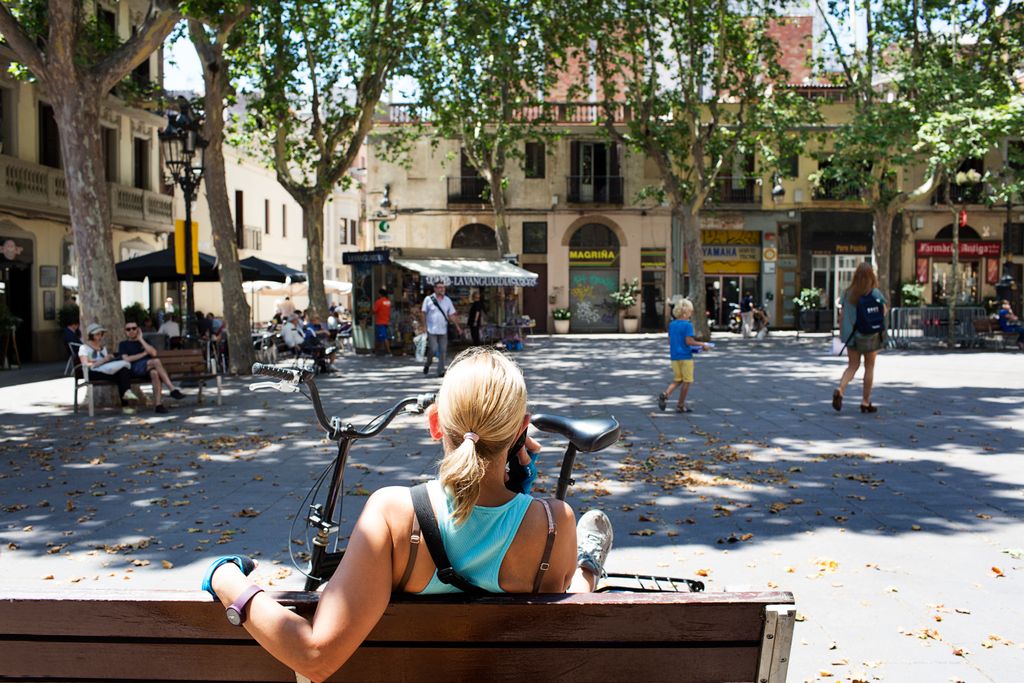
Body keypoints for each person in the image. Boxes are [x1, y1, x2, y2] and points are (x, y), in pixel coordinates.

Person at [201, 347, 614, 681]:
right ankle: (590, 566)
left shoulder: (393, 512)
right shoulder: (555, 522)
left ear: (435, 424)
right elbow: (554, 618)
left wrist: (225, 577)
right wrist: (520, 496)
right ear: (522, 428)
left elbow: (315, 656)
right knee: (578, 583)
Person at [833, 262, 887, 414]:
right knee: (869, 367)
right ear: (871, 276)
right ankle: (865, 401)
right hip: (870, 335)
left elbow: (842, 316)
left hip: (852, 336)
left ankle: (840, 389)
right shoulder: (874, 293)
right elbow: (883, 311)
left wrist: (841, 333)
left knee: (852, 366)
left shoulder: (847, 292)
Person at [118, 322, 186, 414]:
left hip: (148, 368)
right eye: (128, 329)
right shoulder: (123, 344)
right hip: (134, 369)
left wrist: (141, 339)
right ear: (125, 332)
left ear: (138, 329)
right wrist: (144, 354)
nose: (131, 331)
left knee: (155, 373)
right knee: (156, 361)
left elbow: (153, 353)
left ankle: (158, 405)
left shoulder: (145, 341)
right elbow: (127, 359)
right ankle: (172, 389)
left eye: (134, 328)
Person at [657, 299, 712, 414]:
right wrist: (703, 345)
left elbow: (670, 340)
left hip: (674, 356)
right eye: (691, 311)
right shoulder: (688, 325)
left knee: (678, 379)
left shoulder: (672, 325)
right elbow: (689, 341)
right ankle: (680, 405)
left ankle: (665, 394)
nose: (691, 313)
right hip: (685, 357)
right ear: (686, 312)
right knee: (687, 381)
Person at [77, 323, 135, 407]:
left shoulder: (102, 348)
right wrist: (101, 361)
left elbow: (106, 364)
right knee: (122, 375)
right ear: (91, 335)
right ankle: (126, 398)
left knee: (123, 371)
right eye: (97, 334)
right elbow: (85, 364)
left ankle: (126, 401)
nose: (100, 336)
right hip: (92, 373)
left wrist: (109, 359)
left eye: (101, 334)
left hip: (105, 371)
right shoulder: (84, 348)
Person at [421, 281, 461, 377]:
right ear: (435, 289)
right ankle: (428, 364)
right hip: (432, 329)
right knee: (433, 349)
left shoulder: (447, 300)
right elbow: (423, 313)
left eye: (443, 287)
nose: (442, 289)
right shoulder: (428, 299)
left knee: (443, 351)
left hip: (443, 330)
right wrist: (424, 326)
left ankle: (441, 371)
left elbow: (451, 314)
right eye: (439, 287)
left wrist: (457, 327)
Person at [373, 288, 393, 355]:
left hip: (380, 322)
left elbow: (374, 310)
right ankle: (376, 350)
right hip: (386, 321)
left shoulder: (379, 302)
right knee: (380, 337)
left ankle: (389, 351)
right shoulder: (388, 301)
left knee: (383, 337)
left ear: (380, 294)